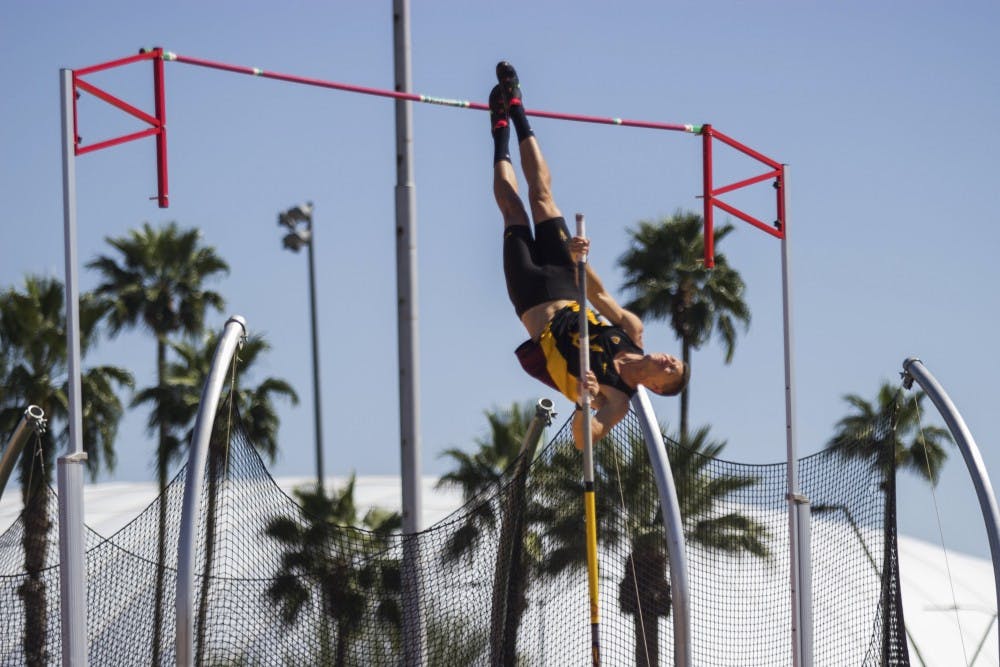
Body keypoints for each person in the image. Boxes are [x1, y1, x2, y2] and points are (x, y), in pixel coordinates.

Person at [490, 61, 689, 450]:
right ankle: (516, 107)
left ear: (657, 388)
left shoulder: (614, 400)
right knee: (542, 197)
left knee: (513, 212)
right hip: (568, 279)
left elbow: (584, 442)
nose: (669, 361)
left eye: (670, 371)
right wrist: (582, 260)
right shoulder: (632, 332)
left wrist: (583, 403)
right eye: (675, 361)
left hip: (533, 303)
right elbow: (599, 296)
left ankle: (497, 132)